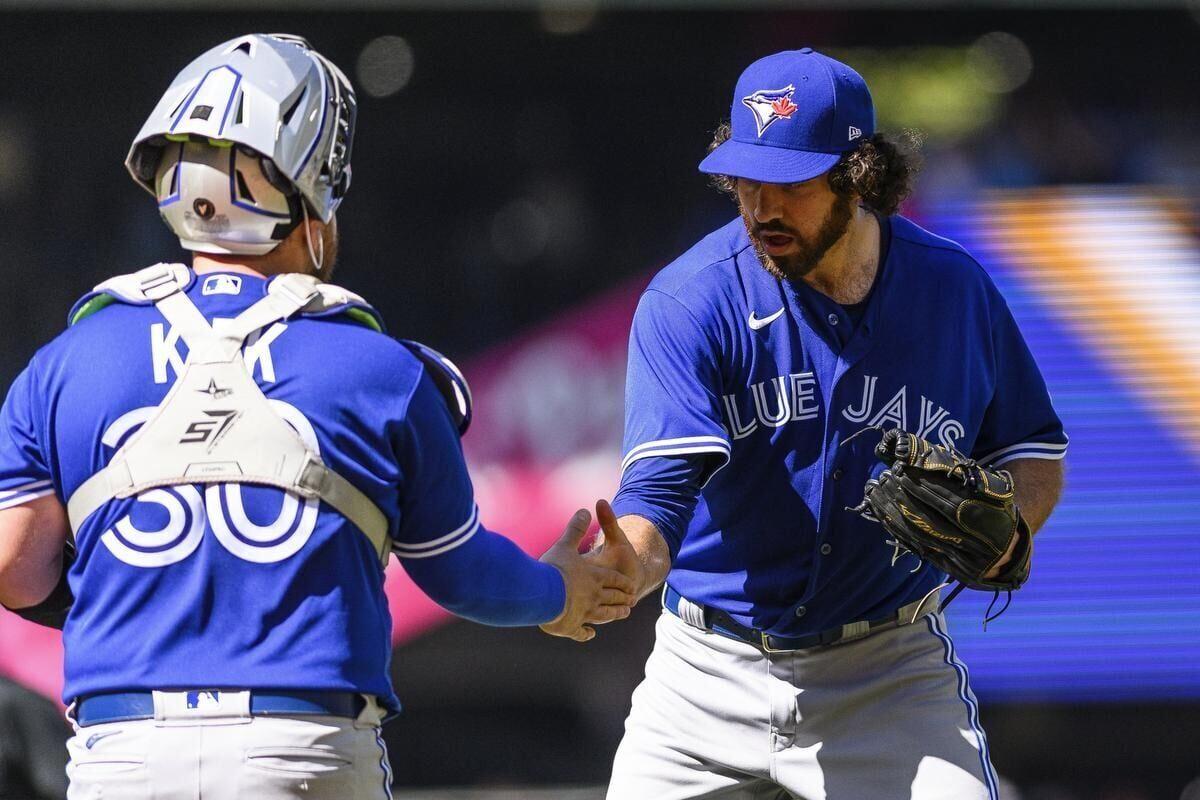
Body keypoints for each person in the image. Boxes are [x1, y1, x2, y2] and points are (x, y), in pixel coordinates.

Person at [0, 33, 634, 800]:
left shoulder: (64, 363)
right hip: (303, 750)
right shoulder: (383, 369)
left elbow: (16, 569)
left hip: (122, 752)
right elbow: (462, 573)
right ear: (318, 187)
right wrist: (560, 592)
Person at [591, 48, 1067, 799]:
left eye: (787, 183)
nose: (760, 207)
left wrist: (1014, 529)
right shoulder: (691, 301)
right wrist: (625, 566)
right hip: (705, 675)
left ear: (862, 176)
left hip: (888, 668)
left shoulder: (954, 291)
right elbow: (660, 491)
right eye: (745, 177)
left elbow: (1033, 458)